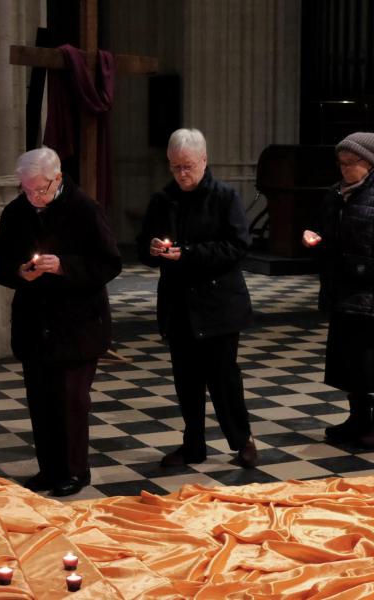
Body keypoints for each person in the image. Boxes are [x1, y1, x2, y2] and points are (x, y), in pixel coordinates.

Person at [0, 147, 121, 497]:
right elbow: (0, 266)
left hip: (77, 324)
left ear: (58, 178)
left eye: (41, 189)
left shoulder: (85, 210)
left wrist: (64, 266)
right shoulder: (16, 212)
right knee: (41, 400)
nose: (34, 197)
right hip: (35, 323)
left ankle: (76, 471)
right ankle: (48, 469)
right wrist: (20, 272)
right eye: (27, 189)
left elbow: (109, 263)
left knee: (71, 401)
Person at [137, 128, 257, 469]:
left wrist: (186, 254)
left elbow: (237, 247)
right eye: (175, 167)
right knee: (186, 380)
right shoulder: (163, 200)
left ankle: (242, 440)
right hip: (179, 305)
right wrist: (153, 249)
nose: (181, 173)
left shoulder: (224, 197)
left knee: (223, 378)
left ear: (204, 160)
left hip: (219, 304)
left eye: (187, 165)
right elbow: (144, 244)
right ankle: (194, 444)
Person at [302, 132, 374, 448]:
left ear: (369, 162)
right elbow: (332, 237)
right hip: (345, 291)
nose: (344, 169)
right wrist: (317, 241)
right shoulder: (338, 194)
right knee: (350, 361)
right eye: (341, 163)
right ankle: (357, 419)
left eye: (350, 163)